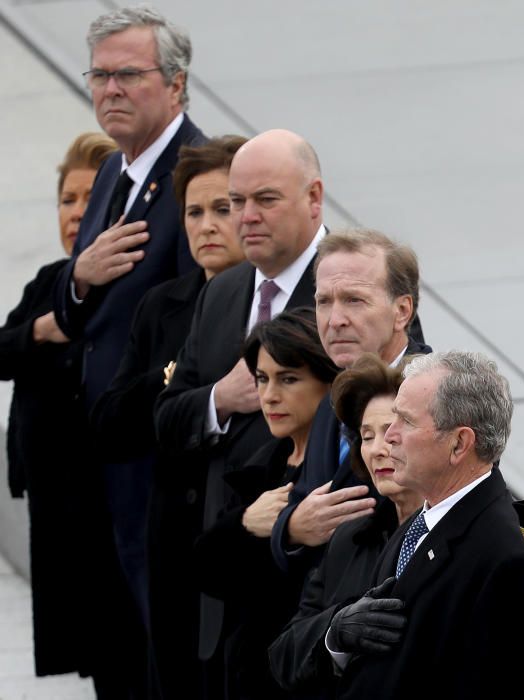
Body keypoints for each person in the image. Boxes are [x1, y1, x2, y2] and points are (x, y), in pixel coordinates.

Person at [154, 128, 375, 698]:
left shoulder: (357, 287)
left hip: (316, 605)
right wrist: (220, 399)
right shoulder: (225, 292)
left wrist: (286, 526)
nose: (244, 217)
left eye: (265, 200)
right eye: (236, 202)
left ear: (314, 197)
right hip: (228, 578)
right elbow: (167, 418)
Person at [53, 6, 206, 697]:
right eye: (99, 75)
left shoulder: (194, 177)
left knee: (166, 643)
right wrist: (78, 279)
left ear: (174, 85)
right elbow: (76, 303)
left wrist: (152, 402)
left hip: (154, 452)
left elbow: (194, 325)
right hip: (103, 453)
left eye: (128, 75)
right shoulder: (115, 172)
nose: (109, 89)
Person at [89, 135, 247, 700]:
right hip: (173, 538)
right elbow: (108, 423)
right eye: (194, 211)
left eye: (223, 209)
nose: (207, 225)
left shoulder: (283, 307)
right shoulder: (162, 305)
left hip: (249, 537)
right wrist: (172, 379)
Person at [328, 351, 524, 699]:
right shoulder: (421, 521)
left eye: (406, 422)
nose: (389, 436)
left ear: (459, 443)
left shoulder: (503, 556)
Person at [0, 132, 118, 686]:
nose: (75, 213)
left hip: (107, 507)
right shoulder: (49, 282)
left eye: (88, 198)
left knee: (122, 655)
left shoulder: (133, 286)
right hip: (56, 507)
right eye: (66, 200)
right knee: (91, 660)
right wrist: (44, 329)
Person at [193, 307, 338, 699]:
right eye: (261, 379)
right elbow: (206, 567)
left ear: (328, 384)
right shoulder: (261, 464)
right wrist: (244, 522)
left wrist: (282, 528)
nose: (269, 395)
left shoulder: (342, 472)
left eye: (288, 379)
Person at [271, 228, 431, 575]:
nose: (335, 320)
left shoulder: (438, 397)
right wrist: (292, 528)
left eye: (354, 300)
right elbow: (302, 501)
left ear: (402, 311)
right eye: (324, 301)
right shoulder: (336, 396)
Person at [268, 353, 423, 698]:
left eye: (391, 432)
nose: (379, 449)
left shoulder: (454, 532)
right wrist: (335, 631)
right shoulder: (349, 537)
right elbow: (283, 655)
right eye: (367, 436)